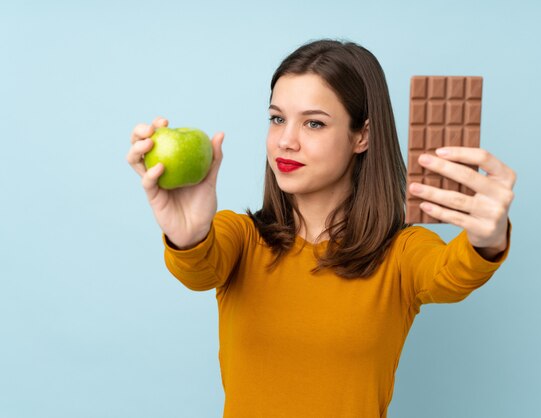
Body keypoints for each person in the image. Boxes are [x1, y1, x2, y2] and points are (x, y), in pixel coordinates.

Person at [126, 39, 515, 418]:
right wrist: (187, 233)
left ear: (361, 135)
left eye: (313, 123)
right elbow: (198, 270)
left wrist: (488, 239)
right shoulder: (241, 238)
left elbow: (451, 274)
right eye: (277, 119)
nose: (286, 141)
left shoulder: (400, 252)